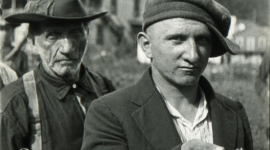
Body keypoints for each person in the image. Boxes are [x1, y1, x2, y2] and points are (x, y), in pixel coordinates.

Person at [81, 0, 253, 150]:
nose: (192, 55)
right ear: (146, 45)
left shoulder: (233, 113)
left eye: (202, 39)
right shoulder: (110, 113)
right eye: (177, 39)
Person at [0, 0, 115, 150]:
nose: (67, 48)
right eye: (53, 36)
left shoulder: (104, 88)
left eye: (76, 33)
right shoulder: (16, 103)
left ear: (86, 33)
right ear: (33, 42)